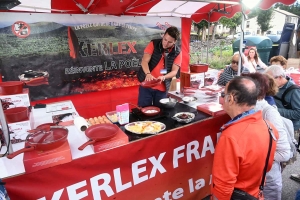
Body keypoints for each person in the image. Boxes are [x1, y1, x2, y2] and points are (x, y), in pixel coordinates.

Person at [211, 76, 278, 199]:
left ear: (230, 99)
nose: (221, 98)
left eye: (222, 94)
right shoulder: (270, 127)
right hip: (256, 194)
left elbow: (222, 185)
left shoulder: (231, 136)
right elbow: (267, 166)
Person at [243, 72, 290, 200]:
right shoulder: (248, 109)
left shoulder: (269, 113)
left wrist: (252, 158)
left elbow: (285, 153)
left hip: (267, 180)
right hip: (253, 177)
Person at [265, 65, 300, 182]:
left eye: (270, 79)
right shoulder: (275, 86)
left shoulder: (294, 91)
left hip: (290, 128)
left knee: (282, 158)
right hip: (275, 125)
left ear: (280, 77)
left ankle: (277, 179)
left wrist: (274, 110)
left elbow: (298, 113)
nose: (268, 82)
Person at [137, 26, 182, 107]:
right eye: (165, 39)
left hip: (162, 88)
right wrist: (148, 74)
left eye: (169, 42)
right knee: (143, 109)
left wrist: (163, 77)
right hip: (146, 84)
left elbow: (174, 72)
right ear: (163, 35)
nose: (166, 43)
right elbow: (144, 61)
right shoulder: (153, 44)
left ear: (175, 41)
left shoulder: (177, 52)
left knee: (160, 111)